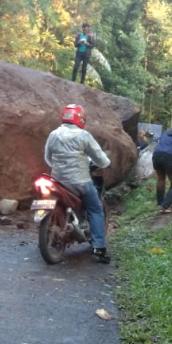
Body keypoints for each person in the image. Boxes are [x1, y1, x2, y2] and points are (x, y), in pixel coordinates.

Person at [44, 103, 112, 263]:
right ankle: (99, 249)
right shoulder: (84, 135)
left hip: (58, 181)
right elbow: (99, 157)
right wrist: (106, 164)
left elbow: (47, 157)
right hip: (80, 181)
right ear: (80, 118)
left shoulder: (53, 134)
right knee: (96, 209)